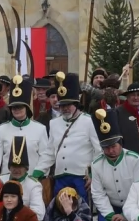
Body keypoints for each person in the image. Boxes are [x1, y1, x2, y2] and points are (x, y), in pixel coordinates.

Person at [33, 73, 102, 205]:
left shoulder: (88, 121)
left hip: (81, 178)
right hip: (60, 178)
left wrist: (94, 175)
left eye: (68, 105)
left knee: (82, 212)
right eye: (62, 105)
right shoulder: (54, 123)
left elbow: (98, 151)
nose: (64, 108)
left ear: (76, 103)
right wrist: (38, 171)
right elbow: (50, 151)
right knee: (60, 212)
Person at [90, 113, 139, 221]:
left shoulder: (134, 159)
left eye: (114, 146)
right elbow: (98, 194)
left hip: (134, 202)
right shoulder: (97, 164)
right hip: (111, 204)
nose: (111, 151)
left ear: (120, 143)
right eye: (106, 147)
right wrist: (111, 214)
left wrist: (125, 214)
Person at [0, 76, 49, 178]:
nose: (16, 110)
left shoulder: (40, 129)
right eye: (13, 107)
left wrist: (37, 174)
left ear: (26, 108)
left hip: (32, 179)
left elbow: (45, 156)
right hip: (7, 181)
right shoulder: (1, 130)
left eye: (20, 107)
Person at [115, 82, 139, 155]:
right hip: (126, 154)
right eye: (132, 95)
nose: (136, 98)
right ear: (127, 97)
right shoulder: (118, 112)